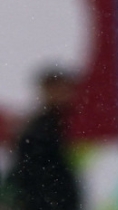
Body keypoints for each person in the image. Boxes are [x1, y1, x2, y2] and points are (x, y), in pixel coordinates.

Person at [3, 68, 82, 210]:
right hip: (40, 198)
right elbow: (23, 165)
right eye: (53, 89)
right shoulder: (39, 124)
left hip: (56, 197)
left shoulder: (77, 124)